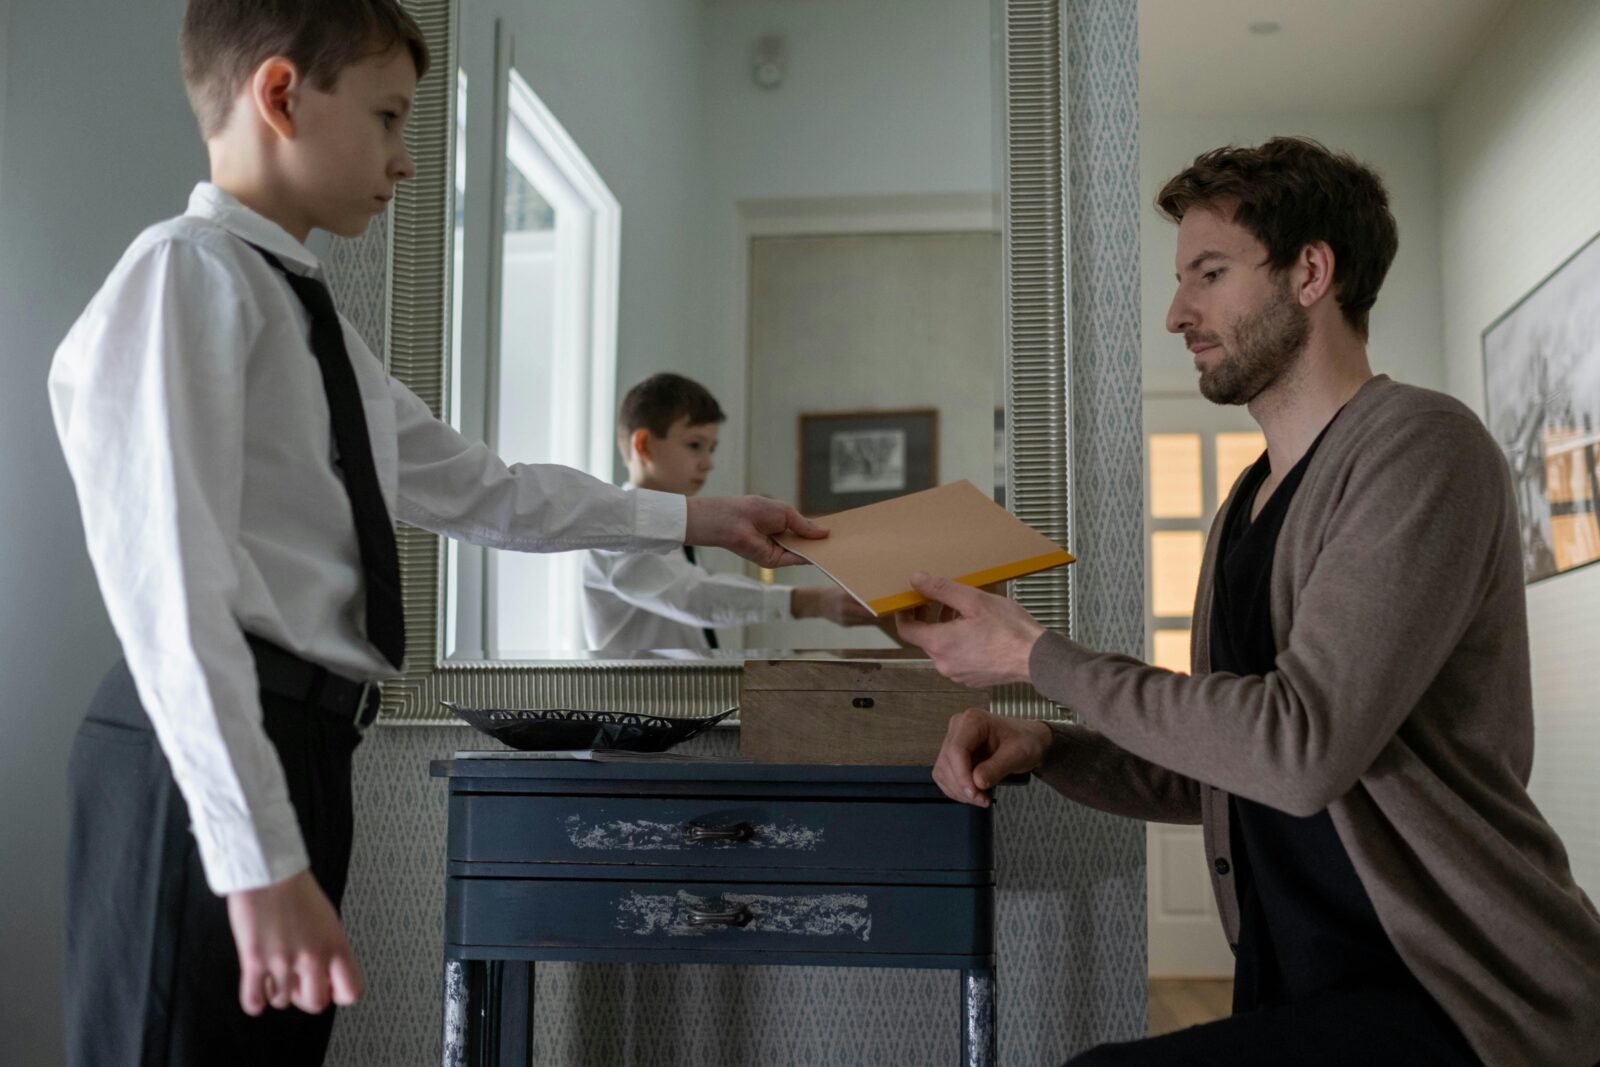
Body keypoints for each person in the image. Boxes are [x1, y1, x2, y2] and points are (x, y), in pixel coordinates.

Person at [46, 3, 825, 1064]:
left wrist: (702, 516)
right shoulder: (183, 276)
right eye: (387, 117)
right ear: (280, 95)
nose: (406, 161)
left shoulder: (304, 317)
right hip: (206, 757)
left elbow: (485, 490)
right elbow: (166, 589)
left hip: (304, 742)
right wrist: (255, 857)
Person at [896, 137, 1600, 1066]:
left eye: (1210, 273)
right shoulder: (1245, 503)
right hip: (1302, 982)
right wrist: (1053, 745)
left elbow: (1300, 746)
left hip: (1458, 992)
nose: (1177, 313)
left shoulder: (1423, 450)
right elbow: (1235, 765)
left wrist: (1036, 656)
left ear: (1312, 272)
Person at [584, 372, 879, 651]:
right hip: (631, 704)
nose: (708, 463)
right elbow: (694, 598)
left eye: (712, 449)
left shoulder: (675, 532)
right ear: (644, 445)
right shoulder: (616, 533)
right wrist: (809, 601)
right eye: (695, 445)